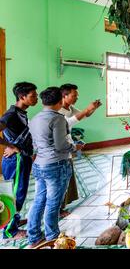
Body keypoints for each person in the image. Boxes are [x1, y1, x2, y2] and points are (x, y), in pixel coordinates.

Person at [26, 87, 83, 248]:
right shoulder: (58, 119)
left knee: (39, 200)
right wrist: (75, 148)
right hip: (56, 165)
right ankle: (53, 236)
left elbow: (35, 145)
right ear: (60, 101)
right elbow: (60, 145)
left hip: (39, 164)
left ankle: (34, 236)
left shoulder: (35, 118)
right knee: (53, 202)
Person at [0, 82, 38, 240]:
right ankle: (9, 231)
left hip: (22, 158)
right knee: (15, 194)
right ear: (22, 97)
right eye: (33, 96)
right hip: (15, 160)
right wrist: (11, 146)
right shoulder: (10, 114)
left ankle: (13, 221)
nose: (36, 98)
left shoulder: (21, 112)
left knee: (20, 193)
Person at [58, 84, 101, 216]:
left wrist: (93, 108)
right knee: (60, 179)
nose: (76, 97)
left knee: (67, 178)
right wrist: (87, 109)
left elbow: (84, 115)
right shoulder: (58, 110)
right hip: (60, 149)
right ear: (64, 96)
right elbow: (69, 122)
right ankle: (57, 210)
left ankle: (61, 207)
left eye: (76, 95)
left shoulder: (70, 108)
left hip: (68, 147)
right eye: (74, 95)